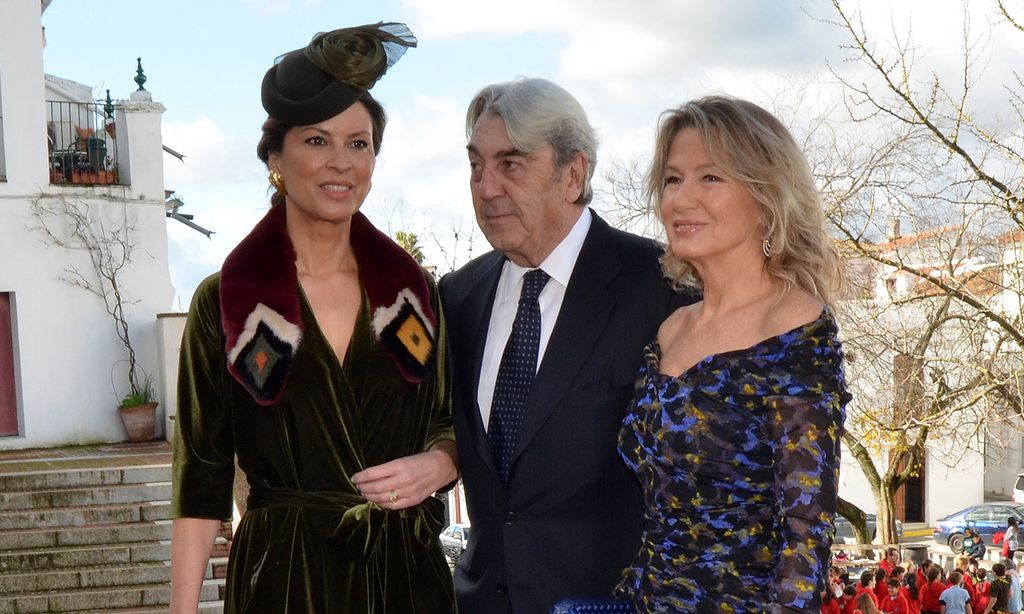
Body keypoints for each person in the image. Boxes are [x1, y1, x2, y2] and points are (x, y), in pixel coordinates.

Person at [169, 24, 459, 613]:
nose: (342, 164)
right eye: (317, 141)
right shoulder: (228, 301)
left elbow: (450, 422)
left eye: (359, 143)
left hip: (405, 578)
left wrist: (440, 463)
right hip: (285, 581)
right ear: (276, 157)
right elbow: (201, 479)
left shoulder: (415, 294)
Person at [439, 78, 687, 613]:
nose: (485, 188)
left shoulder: (663, 288)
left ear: (573, 173)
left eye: (511, 164)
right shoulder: (455, 299)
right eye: (476, 165)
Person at [613, 95, 850, 612]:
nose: (681, 198)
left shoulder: (795, 327)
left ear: (767, 195)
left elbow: (806, 532)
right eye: (673, 179)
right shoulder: (671, 329)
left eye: (710, 178)